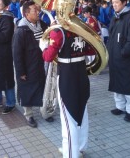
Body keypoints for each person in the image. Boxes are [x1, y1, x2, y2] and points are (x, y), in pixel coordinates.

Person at [41, 21, 92, 158]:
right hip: (82, 73)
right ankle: (80, 148)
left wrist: (44, 46)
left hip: (67, 75)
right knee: (82, 112)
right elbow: (92, 50)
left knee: (68, 119)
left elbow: (48, 56)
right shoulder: (82, 28)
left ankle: (71, 154)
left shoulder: (58, 32)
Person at [12, 1, 52, 128]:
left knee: (44, 87)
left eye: (37, 9)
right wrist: (21, 72)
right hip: (28, 67)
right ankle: (28, 115)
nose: (38, 12)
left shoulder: (43, 25)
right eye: (35, 10)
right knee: (27, 90)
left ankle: (45, 112)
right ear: (26, 14)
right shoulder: (21, 30)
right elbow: (17, 54)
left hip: (42, 64)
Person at [107, 0, 130, 123]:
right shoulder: (115, 17)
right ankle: (120, 106)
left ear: (124, 2)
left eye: (117, 2)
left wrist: (123, 53)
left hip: (127, 58)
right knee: (117, 83)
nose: (114, 5)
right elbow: (111, 36)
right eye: (113, 3)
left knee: (129, 84)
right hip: (114, 57)